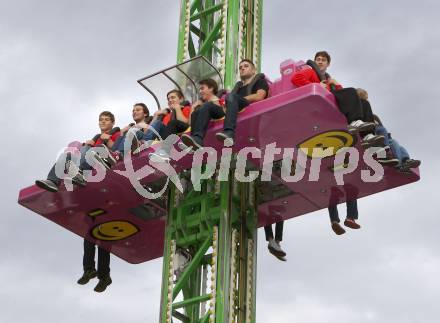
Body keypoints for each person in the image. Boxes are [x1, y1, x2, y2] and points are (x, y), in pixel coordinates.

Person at [291, 51, 384, 148]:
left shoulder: (328, 79)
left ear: (328, 64)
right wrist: (317, 85)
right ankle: (354, 121)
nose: (320, 62)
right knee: (351, 91)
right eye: (318, 59)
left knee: (364, 103)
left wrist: (336, 84)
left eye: (323, 60)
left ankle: (367, 135)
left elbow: (343, 95)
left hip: (331, 100)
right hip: (320, 101)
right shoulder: (311, 71)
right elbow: (296, 78)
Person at [182, 59, 269, 149]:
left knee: (231, 96)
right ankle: (196, 139)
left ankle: (229, 132)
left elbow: (260, 96)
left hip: (246, 105)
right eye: (240, 67)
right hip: (230, 109)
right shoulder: (238, 87)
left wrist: (235, 99)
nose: (242, 68)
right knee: (203, 107)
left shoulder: (260, 81)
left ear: (254, 70)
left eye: (246, 66)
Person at [35, 111, 121, 192]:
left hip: (101, 161)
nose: (103, 122)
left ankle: (79, 173)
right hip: (86, 160)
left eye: (106, 120)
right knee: (67, 155)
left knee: (90, 150)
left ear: (112, 123)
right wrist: (86, 145)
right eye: (101, 120)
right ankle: (52, 181)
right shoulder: (95, 139)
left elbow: (115, 151)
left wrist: (108, 140)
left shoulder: (116, 134)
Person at [147, 90, 192, 162]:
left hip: (183, 131)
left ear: (181, 99)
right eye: (168, 99)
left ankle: (164, 152)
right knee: (158, 123)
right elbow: (150, 130)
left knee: (172, 122)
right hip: (168, 136)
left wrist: (177, 109)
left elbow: (185, 122)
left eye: (173, 97)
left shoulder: (186, 108)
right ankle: (145, 144)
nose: (170, 100)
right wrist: (156, 115)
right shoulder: (167, 116)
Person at [180, 78, 223, 149]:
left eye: (202, 88)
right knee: (196, 112)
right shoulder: (204, 106)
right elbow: (190, 123)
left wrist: (208, 103)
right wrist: (193, 108)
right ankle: (193, 141)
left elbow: (219, 108)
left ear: (211, 88)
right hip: (208, 110)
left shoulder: (215, 99)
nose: (200, 91)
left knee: (206, 106)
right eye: (200, 89)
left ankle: (198, 138)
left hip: (219, 114)